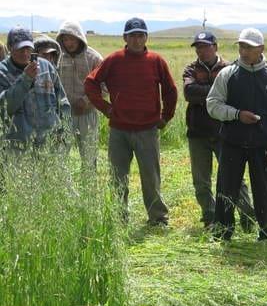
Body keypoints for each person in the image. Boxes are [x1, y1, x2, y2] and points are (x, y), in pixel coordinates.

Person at [85, 17, 177, 226]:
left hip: (147, 129)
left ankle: (158, 218)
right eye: (133, 35)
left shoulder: (156, 61)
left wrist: (165, 116)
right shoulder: (114, 60)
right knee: (118, 177)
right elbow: (91, 83)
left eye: (141, 35)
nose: (137, 40)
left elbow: (170, 90)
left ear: (146, 37)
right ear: (124, 37)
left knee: (151, 177)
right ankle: (119, 218)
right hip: (119, 130)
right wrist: (106, 107)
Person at [207, 28, 267, 241]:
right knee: (226, 189)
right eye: (242, 46)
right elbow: (212, 105)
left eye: (250, 47)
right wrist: (236, 115)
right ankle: (223, 231)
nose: (244, 51)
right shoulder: (228, 74)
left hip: (263, 144)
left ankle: (266, 231)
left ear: (261, 49)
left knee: (264, 191)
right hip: (232, 142)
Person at [183, 31, 255, 229]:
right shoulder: (190, 69)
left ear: (215, 47)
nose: (202, 50)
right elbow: (189, 92)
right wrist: (217, 92)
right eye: (198, 47)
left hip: (225, 133)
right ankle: (210, 217)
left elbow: (232, 94)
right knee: (201, 181)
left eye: (206, 46)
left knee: (234, 177)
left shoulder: (230, 68)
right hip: (197, 133)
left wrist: (206, 92)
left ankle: (247, 216)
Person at [0, 27, 70, 150]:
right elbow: (5, 107)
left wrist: (65, 132)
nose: (25, 53)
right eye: (20, 48)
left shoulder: (46, 67)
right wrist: (26, 79)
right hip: (18, 147)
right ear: (10, 48)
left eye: (28, 48)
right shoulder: (3, 72)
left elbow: (62, 102)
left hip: (50, 144)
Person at [57, 20, 104, 170]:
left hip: (87, 114)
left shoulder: (94, 58)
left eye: (71, 38)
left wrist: (86, 101)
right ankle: (60, 191)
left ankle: (90, 191)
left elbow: (105, 86)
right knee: (59, 157)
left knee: (89, 157)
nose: (68, 43)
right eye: (65, 39)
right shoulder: (57, 57)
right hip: (62, 115)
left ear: (79, 37)